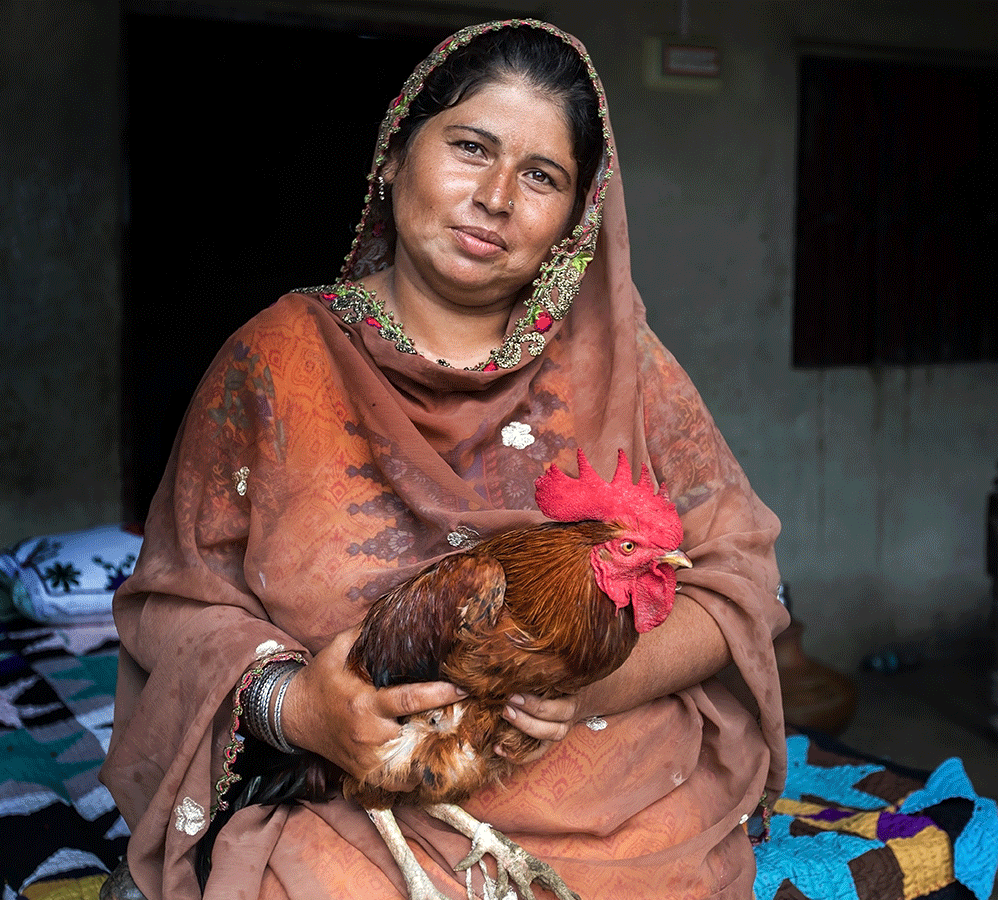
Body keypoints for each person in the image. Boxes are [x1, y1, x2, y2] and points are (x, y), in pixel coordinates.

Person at [100, 18, 789, 900]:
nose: (497, 196)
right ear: (395, 156)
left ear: (575, 219)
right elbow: (175, 605)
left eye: (541, 176)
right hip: (356, 790)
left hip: (617, 802)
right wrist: (300, 706)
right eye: (471, 147)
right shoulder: (273, 361)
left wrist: (592, 676)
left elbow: (739, 576)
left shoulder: (626, 364)